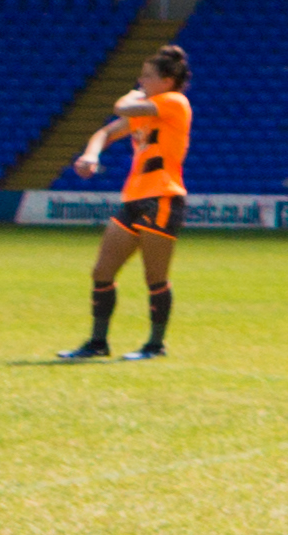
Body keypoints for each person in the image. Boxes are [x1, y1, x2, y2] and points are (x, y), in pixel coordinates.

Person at [52, 44, 191, 359]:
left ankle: (155, 345)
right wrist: (91, 154)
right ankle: (97, 344)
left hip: (163, 196)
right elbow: (105, 132)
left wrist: (130, 98)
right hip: (134, 198)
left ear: (167, 81)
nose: (141, 82)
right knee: (102, 270)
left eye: (147, 77)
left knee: (154, 277)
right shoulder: (147, 111)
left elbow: (122, 109)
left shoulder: (173, 102)